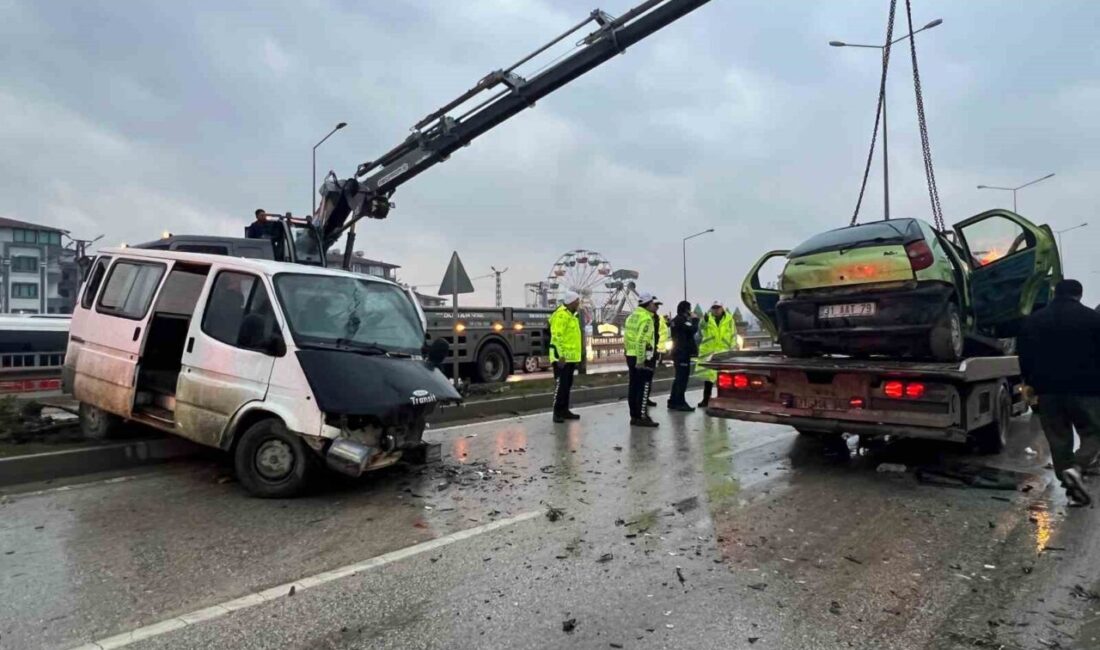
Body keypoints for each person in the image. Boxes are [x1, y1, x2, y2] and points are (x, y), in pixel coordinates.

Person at [1018, 279, 1100, 506]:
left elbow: (1023, 356)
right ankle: (1078, 468)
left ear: (1055, 293)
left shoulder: (1034, 321)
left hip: (1048, 391)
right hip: (1088, 390)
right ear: (1080, 295)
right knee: (1094, 433)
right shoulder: (1094, 319)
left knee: (1058, 438)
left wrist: (1030, 383)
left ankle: (1071, 485)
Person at [625, 293, 660, 427]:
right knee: (643, 387)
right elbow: (641, 341)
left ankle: (634, 416)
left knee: (633, 386)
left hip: (630, 354)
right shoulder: (646, 319)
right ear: (648, 304)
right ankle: (642, 416)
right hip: (643, 357)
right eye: (652, 302)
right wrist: (641, 360)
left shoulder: (631, 317)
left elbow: (627, 338)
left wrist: (629, 353)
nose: (654, 305)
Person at [549, 290, 583, 423]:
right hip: (561, 358)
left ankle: (564, 410)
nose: (579, 303)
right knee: (560, 386)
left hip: (570, 358)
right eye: (577, 301)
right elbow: (557, 337)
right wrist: (560, 356)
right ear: (571, 302)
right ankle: (557, 412)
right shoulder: (561, 316)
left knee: (567, 385)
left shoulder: (572, 315)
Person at [695, 300, 737, 407]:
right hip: (710, 352)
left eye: (717, 308)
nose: (716, 310)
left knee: (723, 379)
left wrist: (733, 350)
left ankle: (723, 399)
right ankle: (706, 399)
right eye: (714, 308)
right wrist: (704, 320)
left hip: (723, 352)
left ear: (722, 308)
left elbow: (733, 334)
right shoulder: (707, 319)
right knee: (709, 379)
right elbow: (702, 329)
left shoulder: (729, 320)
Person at [667, 300, 699, 411]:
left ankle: (673, 401)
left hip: (677, 352)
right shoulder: (682, 320)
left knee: (678, 378)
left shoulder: (675, 320)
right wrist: (695, 319)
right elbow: (693, 330)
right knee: (682, 379)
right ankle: (680, 402)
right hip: (682, 353)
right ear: (686, 310)